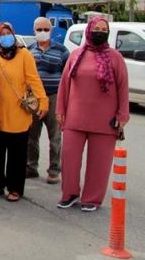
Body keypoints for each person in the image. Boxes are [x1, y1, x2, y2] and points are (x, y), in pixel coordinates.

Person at [56, 17, 129, 212]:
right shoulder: (76, 55)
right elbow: (65, 85)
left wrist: (122, 116)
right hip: (74, 118)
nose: (99, 32)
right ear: (89, 30)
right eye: (96, 28)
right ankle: (69, 194)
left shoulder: (115, 58)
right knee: (69, 159)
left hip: (105, 121)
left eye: (104, 30)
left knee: (99, 164)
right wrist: (60, 110)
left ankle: (92, 198)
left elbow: (123, 88)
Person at [0, 22, 48, 202]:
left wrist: (43, 101)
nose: (6, 37)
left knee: (17, 154)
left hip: (18, 112)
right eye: (2, 34)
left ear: (13, 35)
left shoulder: (24, 54)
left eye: (8, 33)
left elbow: (34, 79)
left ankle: (15, 188)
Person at [27, 17, 70, 184]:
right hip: (34, 98)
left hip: (54, 97)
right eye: (39, 29)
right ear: (34, 30)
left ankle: (54, 170)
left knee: (55, 137)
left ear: (51, 31)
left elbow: (67, 75)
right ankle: (31, 167)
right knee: (31, 136)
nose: (42, 32)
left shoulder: (61, 50)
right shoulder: (29, 50)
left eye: (46, 29)